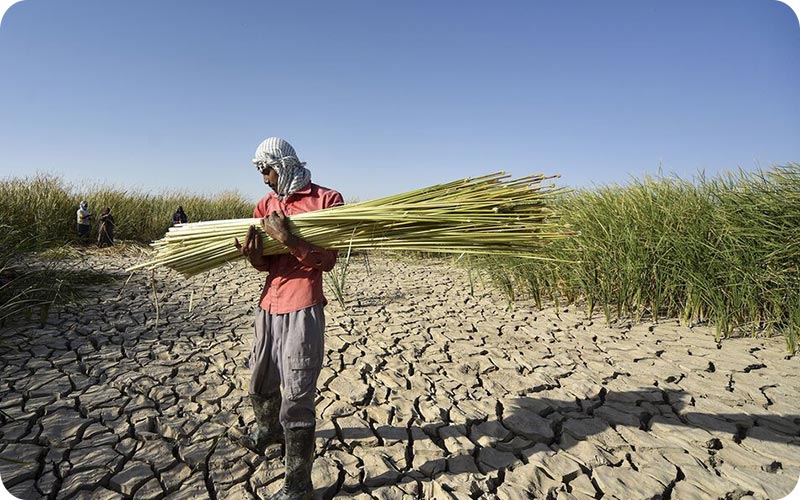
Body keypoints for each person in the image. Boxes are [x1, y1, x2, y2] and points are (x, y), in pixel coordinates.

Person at [234, 137, 343, 500]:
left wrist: (289, 239)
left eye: (266, 170)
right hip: (269, 303)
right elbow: (266, 264)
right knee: (261, 377)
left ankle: (298, 485)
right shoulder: (264, 205)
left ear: (283, 165)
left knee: (296, 391)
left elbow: (328, 260)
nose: (264, 179)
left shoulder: (326, 201)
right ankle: (268, 431)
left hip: (302, 305)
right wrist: (253, 257)